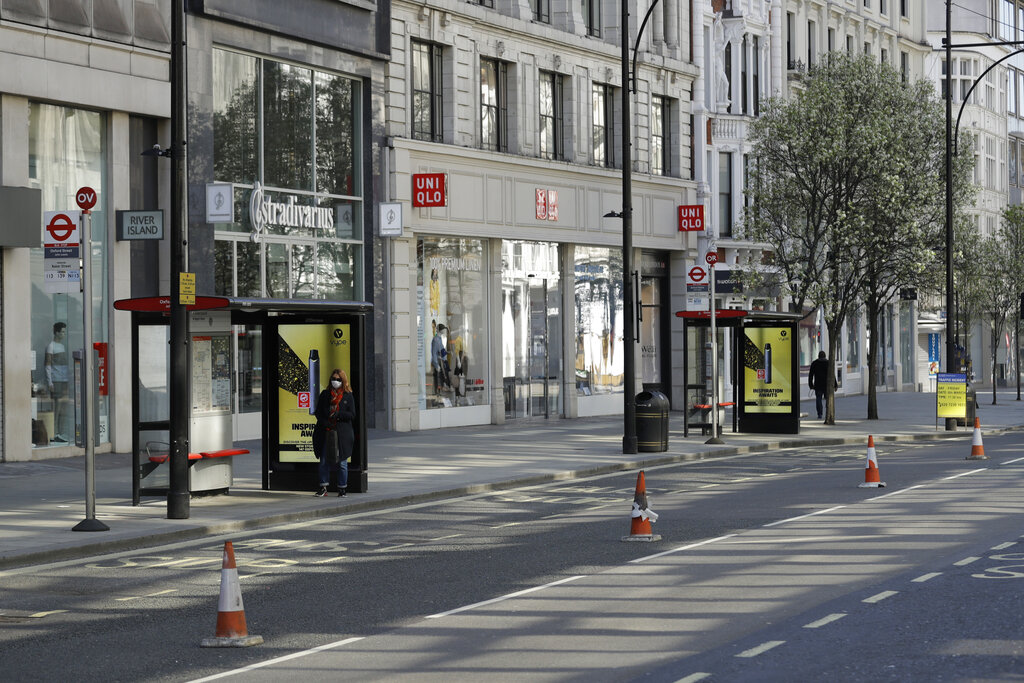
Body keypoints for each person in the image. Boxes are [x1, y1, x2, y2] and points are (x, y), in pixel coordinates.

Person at [312, 368, 355, 497]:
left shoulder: (348, 396)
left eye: (338, 379)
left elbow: (352, 414)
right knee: (324, 460)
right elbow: (318, 413)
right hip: (327, 431)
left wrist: (338, 414)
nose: (335, 381)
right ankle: (323, 487)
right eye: (333, 379)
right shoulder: (325, 394)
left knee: (342, 462)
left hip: (342, 433)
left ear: (343, 381)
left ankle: (342, 489)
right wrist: (325, 422)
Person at [44, 322, 69, 443]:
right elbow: (47, 365)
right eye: (62, 332)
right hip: (56, 380)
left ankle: (60, 431)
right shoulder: (51, 346)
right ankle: (55, 433)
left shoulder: (62, 346)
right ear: (57, 332)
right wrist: (50, 382)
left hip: (64, 380)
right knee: (56, 407)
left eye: (64, 332)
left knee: (63, 408)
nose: (64, 334)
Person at [808, 351, 831, 420]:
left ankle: (820, 414)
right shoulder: (828, 363)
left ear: (818, 356)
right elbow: (832, 375)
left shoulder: (814, 363)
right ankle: (828, 412)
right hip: (827, 384)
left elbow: (810, 375)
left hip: (818, 384)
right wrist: (835, 385)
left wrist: (811, 385)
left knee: (818, 399)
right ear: (825, 356)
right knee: (828, 399)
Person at [431, 324, 451, 395]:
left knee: (443, 376)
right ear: (440, 330)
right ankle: (437, 392)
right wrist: (436, 365)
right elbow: (434, 353)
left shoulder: (440, 339)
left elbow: (441, 350)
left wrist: (446, 353)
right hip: (439, 361)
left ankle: (442, 389)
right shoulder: (436, 340)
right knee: (438, 378)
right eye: (442, 329)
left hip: (443, 361)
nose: (444, 330)